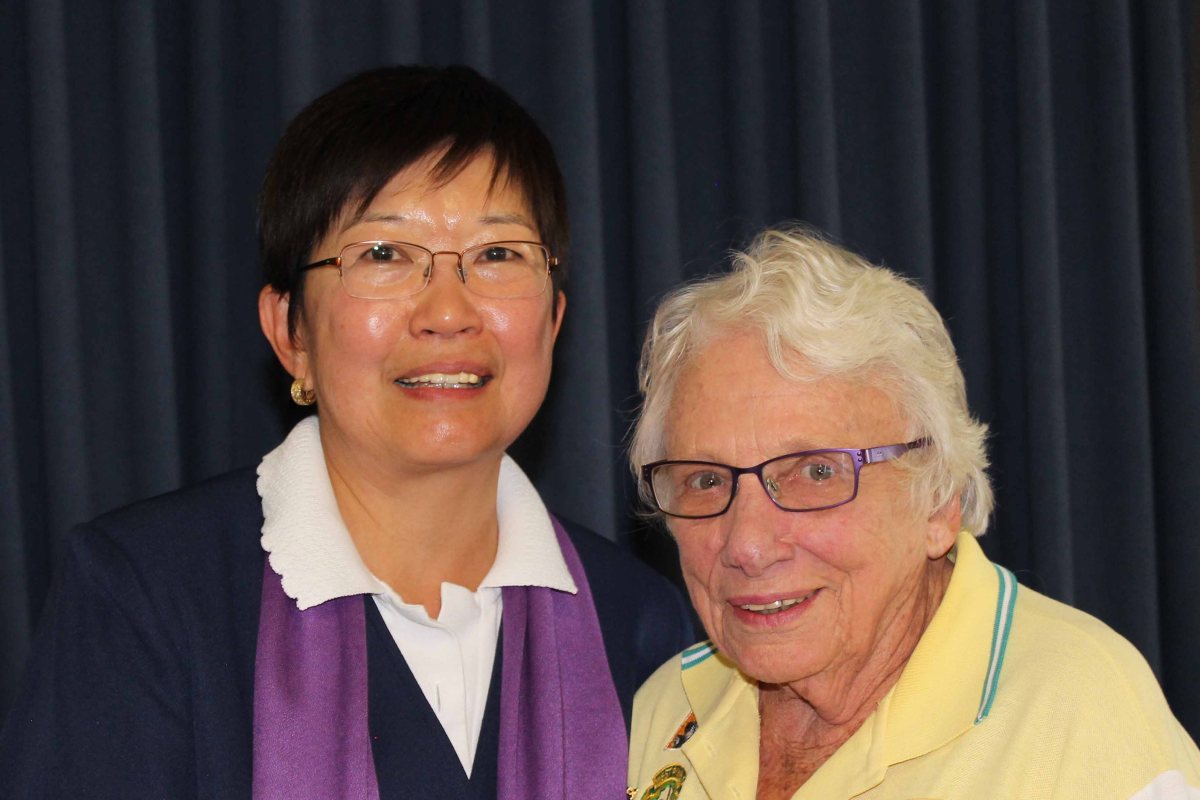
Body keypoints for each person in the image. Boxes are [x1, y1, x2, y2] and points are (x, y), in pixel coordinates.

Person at [0, 64, 692, 799]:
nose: (448, 313)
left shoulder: (640, 623)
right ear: (290, 331)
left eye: (498, 255)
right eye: (384, 255)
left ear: (553, 321)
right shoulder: (146, 599)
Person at [625, 226, 1200, 799]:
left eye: (816, 472)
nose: (748, 545)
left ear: (938, 498)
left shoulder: (1076, 715)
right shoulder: (669, 705)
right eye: (705, 480)